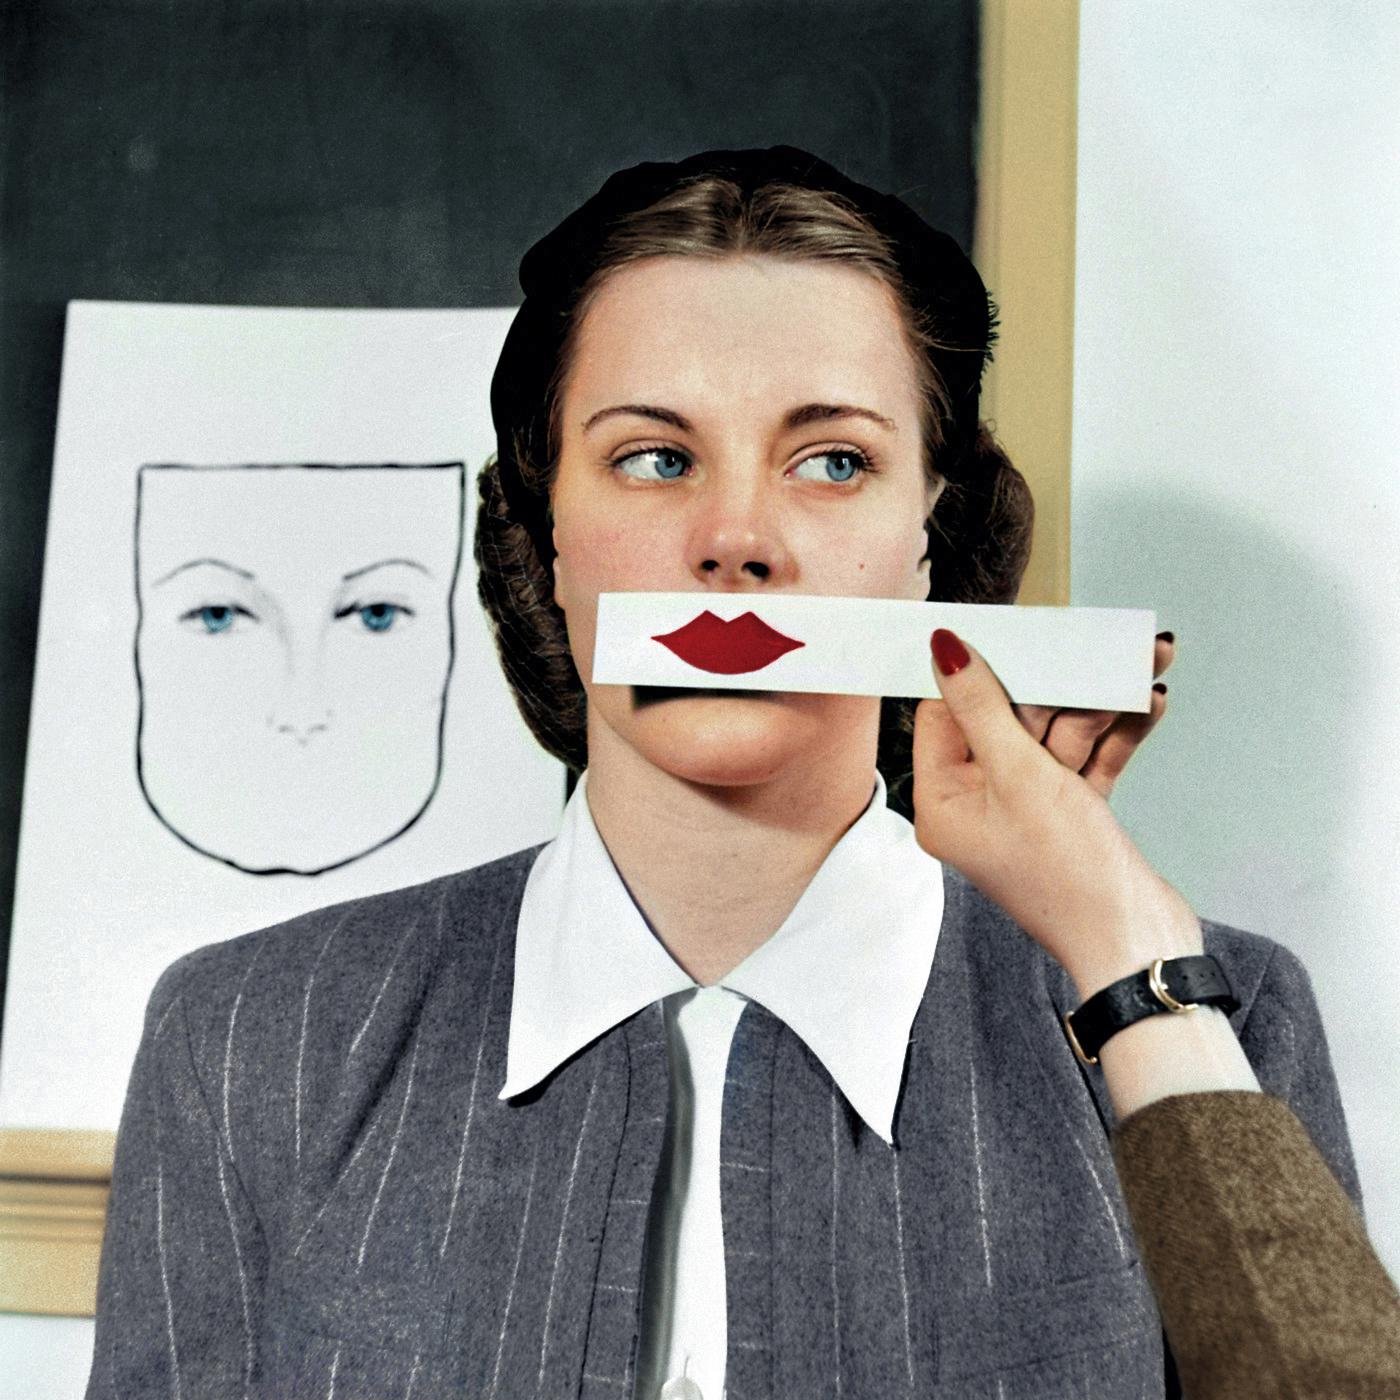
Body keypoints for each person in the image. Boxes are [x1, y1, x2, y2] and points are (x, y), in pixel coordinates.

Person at [87, 147, 1399, 1400]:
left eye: (832, 461)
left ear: (929, 541)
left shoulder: (1210, 1017)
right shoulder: (253, 1039)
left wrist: (1125, 953)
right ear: (549, 540)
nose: (735, 538)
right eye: (654, 458)